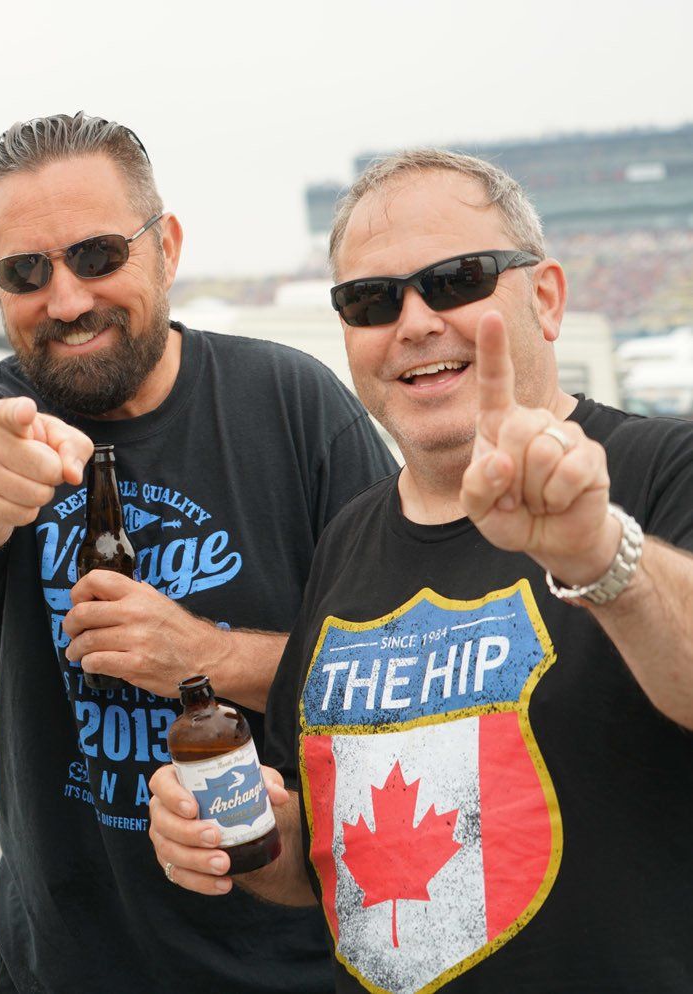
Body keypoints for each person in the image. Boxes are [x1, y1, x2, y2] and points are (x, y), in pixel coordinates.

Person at [149, 149, 693, 992]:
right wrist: (241, 828)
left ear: (545, 298)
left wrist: (601, 556)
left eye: (456, 280)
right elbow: (320, 867)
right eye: (371, 300)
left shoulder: (662, 470)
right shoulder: (347, 540)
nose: (413, 323)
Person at [0, 112, 397, 993]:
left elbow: (393, 662)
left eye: (97, 256)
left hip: (285, 967)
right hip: (57, 970)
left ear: (164, 246)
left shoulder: (292, 405)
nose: (65, 299)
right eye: (25, 272)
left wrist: (210, 657)